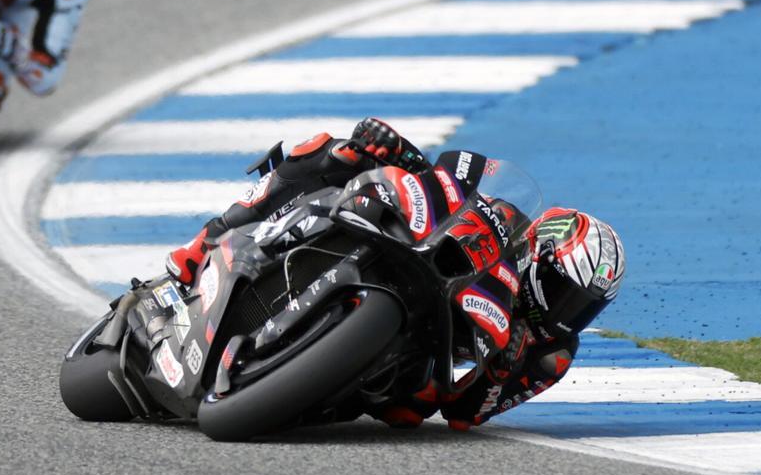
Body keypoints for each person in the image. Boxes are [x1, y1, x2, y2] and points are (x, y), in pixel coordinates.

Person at [164, 117, 626, 430]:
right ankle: (200, 245)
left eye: (582, 307)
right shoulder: (507, 221)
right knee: (331, 151)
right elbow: (451, 177)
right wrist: (398, 153)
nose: (568, 314)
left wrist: (499, 372)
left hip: (422, 356)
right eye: (564, 292)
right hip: (417, 258)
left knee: (409, 413)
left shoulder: (552, 354)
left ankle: (298, 386)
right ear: (538, 255)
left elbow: (465, 416)